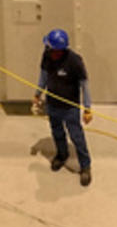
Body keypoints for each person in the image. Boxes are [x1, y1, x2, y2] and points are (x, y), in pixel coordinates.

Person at [30, 27, 93, 187]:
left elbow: (84, 85)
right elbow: (43, 76)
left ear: (59, 50)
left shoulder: (74, 61)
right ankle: (62, 154)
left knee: (76, 137)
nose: (47, 50)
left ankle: (85, 166)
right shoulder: (47, 57)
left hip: (70, 108)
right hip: (53, 105)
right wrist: (38, 94)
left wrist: (87, 108)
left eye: (50, 48)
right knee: (57, 132)